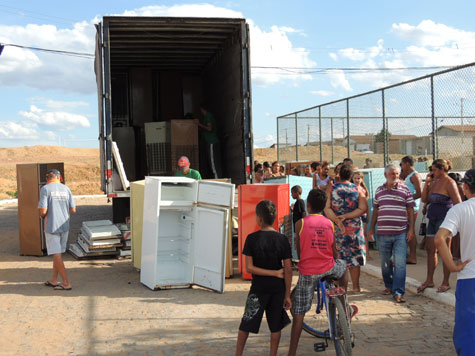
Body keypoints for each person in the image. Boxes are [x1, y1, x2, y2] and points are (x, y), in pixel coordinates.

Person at [288, 189, 348, 356]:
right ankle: (343, 306)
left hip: (308, 271)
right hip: (328, 267)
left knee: (299, 312)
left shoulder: (300, 223)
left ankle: (291, 352)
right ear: (323, 207)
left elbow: (299, 252)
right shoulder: (329, 223)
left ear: (308, 205)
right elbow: (334, 251)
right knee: (344, 269)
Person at [235, 200, 292, 356]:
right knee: (276, 326)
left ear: (259, 219)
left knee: (246, 322)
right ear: (273, 218)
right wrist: (287, 294)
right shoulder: (283, 240)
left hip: (258, 288)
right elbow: (288, 269)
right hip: (278, 289)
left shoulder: (251, 238)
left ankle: (238, 354)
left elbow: (249, 268)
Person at [434, 169, 475, 355]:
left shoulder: (460, 209)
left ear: (465, 187)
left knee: (468, 331)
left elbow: (439, 239)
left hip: (469, 277)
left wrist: (451, 266)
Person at [368, 163, 416, 303]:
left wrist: (411, 229)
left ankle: (398, 291)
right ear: (385, 175)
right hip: (382, 234)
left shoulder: (405, 190)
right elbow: (376, 210)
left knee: (400, 264)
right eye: (392, 174)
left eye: (396, 174)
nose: (395, 176)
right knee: (385, 263)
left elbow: (410, 210)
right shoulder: (379, 191)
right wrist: (371, 228)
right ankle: (389, 286)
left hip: (401, 233)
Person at [418, 159, 461, 293]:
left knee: (445, 251)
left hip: (445, 221)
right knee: (431, 250)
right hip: (433, 219)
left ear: (442, 169)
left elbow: (458, 203)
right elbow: (424, 198)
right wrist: (427, 183)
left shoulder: (450, 183)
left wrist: (453, 222)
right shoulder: (435, 182)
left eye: (434, 170)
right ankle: (429, 279)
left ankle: (445, 281)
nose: (432, 172)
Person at [324, 164, 368, 292]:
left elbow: (327, 207)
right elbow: (363, 208)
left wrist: (337, 220)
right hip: (354, 228)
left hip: (337, 228)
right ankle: (356, 286)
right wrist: (347, 216)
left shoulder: (331, 187)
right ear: (350, 176)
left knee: (339, 258)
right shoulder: (357, 188)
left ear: (339, 175)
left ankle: (342, 288)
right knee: (355, 258)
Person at [38, 169, 76, 291]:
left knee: (56, 254)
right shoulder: (67, 189)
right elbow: (73, 209)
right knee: (57, 254)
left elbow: (43, 210)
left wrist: (43, 216)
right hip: (64, 226)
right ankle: (54, 279)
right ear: (60, 178)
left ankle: (66, 283)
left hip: (51, 226)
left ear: (47, 178)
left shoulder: (45, 189)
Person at [400, 156, 423, 264]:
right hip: (407, 207)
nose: (402, 166)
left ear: (407, 164)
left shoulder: (415, 176)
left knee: (411, 231)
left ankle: (413, 256)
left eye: (402, 164)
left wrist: (407, 199)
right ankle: (410, 254)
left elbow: (419, 193)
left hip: (412, 208)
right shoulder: (408, 176)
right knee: (406, 231)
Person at [351, 171, 372, 260]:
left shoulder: (363, 190)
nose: (356, 180)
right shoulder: (351, 189)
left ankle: (366, 253)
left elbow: (366, 203)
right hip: (354, 215)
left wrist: (368, 214)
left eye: (358, 178)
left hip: (362, 215)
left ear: (362, 179)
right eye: (355, 178)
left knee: (364, 234)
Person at [197, 103, 221, 178]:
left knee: (213, 162)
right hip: (210, 141)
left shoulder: (208, 116)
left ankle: (217, 179)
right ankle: (217, 177)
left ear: (203, 109)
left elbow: (209, 128)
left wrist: (199, 124)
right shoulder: (207, 117)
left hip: (212, 142)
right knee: (213, 162)